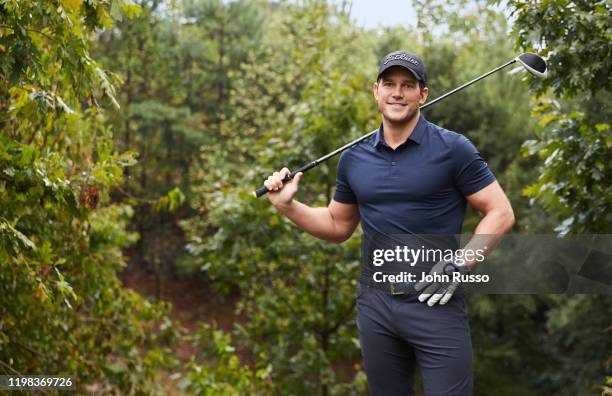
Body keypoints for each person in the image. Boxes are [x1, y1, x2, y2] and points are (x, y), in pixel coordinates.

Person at [263, 50, 515, 396]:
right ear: (376, 90)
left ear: (422, 94)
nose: (397, 92)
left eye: (407, 85)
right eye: (390, 84)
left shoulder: (454, 149)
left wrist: (462, 262)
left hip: (436, 303)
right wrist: (287, 206)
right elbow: (338, 225)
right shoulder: (354, 158)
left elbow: (501, 212)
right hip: (376, 305)